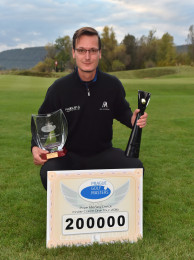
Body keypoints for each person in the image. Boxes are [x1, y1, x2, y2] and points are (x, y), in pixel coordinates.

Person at [31, 27, 148, 190]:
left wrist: (132, 119)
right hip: (69, 156)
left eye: (92, 50)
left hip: (103, 153)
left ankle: (108, 205)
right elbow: (43, 121)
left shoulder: (112, 84)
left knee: (136, 168)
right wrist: (35, 147)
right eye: (81, 50)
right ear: (74, 52)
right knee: (48, 172)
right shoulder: (59, 88)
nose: (87, 56)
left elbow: (122, 110)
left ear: (99, 53)